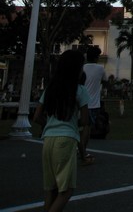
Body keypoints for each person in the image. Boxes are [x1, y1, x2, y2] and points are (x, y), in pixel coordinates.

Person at [33, 50, 89, 211]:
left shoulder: (50, 89)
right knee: (66, 191)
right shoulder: (80, 90)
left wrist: (50, 125)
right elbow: (85, 121)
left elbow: (36, 117)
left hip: (48, 140)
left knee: (51, 190)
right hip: (66, 140)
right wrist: (71, 123)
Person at [83, 45, 107, 148]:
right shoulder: (100, 68)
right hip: (94, 104)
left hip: (82, 103)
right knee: (88, 128)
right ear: (96, 57)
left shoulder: (82, 68)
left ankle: (81, 149)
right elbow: (105, 82)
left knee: (82, 127)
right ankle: (83, 149)